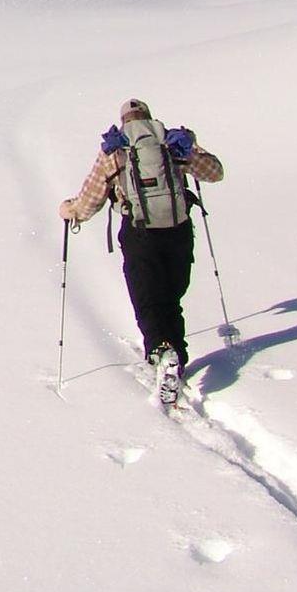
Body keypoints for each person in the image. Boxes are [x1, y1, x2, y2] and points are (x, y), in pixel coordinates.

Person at [60, 98, 224, 406]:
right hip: (178, 231)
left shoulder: (115, 150)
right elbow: (215, 173)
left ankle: (162, 352)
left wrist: (71, 211)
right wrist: (192, 147)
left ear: (124, 121)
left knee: (148, 298)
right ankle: (177, 356)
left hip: (139, 233)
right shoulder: (172, 143)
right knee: (171, 297)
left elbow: (91, 199)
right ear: (149, 116)